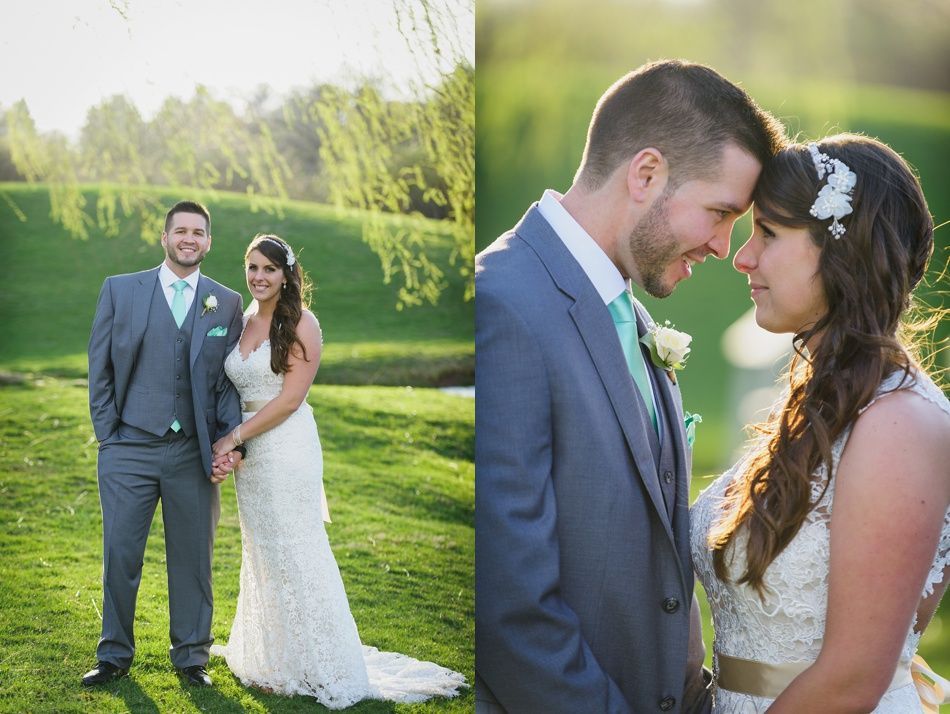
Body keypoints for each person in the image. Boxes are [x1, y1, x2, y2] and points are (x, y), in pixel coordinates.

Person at [475, 59, 787, 713]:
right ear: (646, 175)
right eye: (720, 212)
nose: (725, 248)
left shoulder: (630, 314)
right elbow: (509, 607)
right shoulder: (500, 303)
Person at [691, 134, 950, 712]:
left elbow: (853, 677)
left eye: (769, 234)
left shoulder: (899, 425)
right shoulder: (821, 402)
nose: (742, 257)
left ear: (842, 252)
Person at [208, 234, 466, 708]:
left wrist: (234, 438)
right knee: (263, 547)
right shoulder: (240, 322)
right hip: (249, 453)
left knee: (297, 544)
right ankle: (275, 658)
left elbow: (289, 399)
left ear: (286, 274)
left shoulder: (303, 323)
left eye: (268, 269)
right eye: (252, 268)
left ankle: (323, 662)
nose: (259, 277)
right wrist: (231, 442)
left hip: (285, 447)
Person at [83, 200, 246, 688]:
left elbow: (227, 384)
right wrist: (109, 436)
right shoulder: (120, 290)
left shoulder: (226, 302)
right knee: (121, 555)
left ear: (209, 241)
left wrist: (229, 445)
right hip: (128, 446)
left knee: (194, 559)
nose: (189, 239)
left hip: (192, 452)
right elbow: (100, 368)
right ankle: (113, 656)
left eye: (198, 232)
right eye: (181, 231)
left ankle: (192, 658)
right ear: (165, 237)